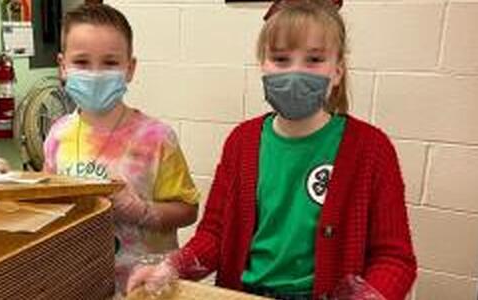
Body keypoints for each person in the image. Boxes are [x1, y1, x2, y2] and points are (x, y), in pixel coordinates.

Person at [126, 0, 416, 299]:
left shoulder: (371, 148)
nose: (295, 72)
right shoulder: (242, 142)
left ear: (338, 71)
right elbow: (215, 234)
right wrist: (172, 266)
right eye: (281, 59)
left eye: (314, 59)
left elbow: (395, 258)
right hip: (246, 292)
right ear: (262, 65)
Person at [42, 2, 200, 294]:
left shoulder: (157, 137)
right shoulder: (58, 134)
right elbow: (45, 199)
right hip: (79, 280)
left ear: (130, 68)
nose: (96, 73)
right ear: (63, 66)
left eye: (110, 63)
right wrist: (8, 185)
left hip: (144, 285)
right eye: (82, 62)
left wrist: (142, 211)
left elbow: (189, 210)